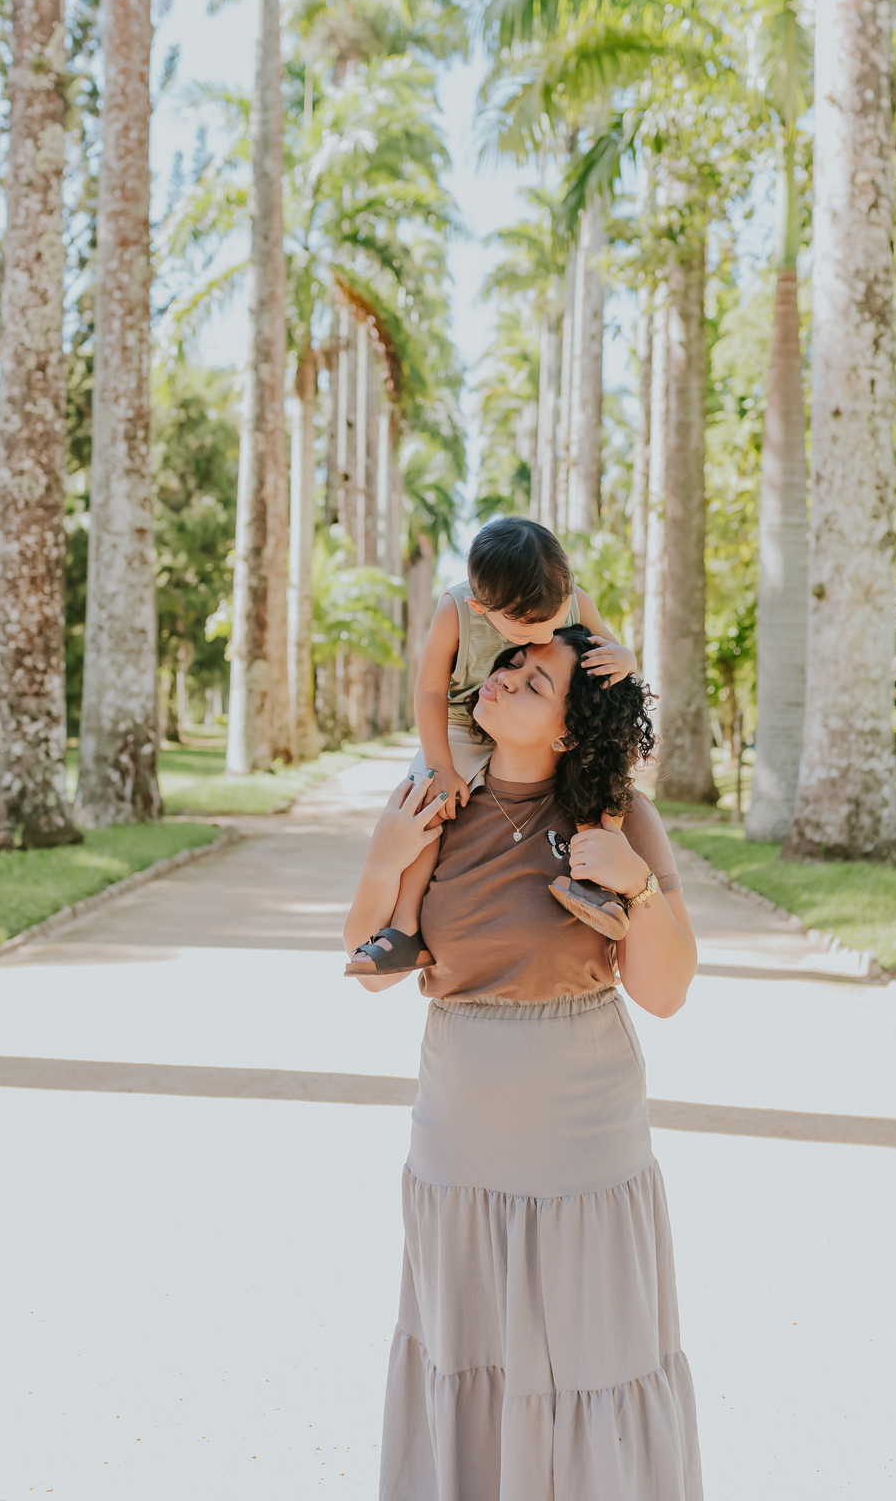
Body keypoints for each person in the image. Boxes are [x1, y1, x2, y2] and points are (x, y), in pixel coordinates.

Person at [345, 624, 704, 1499]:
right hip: (459, 1139)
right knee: (467, 1357)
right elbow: (368, 968)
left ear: (571, 729)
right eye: (508, 663)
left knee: (594, 1358)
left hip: (586, 1140)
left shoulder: (617, 816)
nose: (507, 677)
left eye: (537, 681)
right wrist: (386, 858)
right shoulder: (434, 802)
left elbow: (665, 991)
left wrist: (636, 884)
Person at [345, 515, 636, 976]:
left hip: (530, 725)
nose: (545, 637)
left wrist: (625, 656)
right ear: (483, 608)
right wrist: (441, 765)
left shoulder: (573, 600)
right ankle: (404, 928)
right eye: (526, 632)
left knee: (604, 767)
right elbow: (428, 691)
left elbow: (609, 647)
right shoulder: (456, 610)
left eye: (554, 620)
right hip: (463, 719)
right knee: (429, 802)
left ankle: (599, 882)